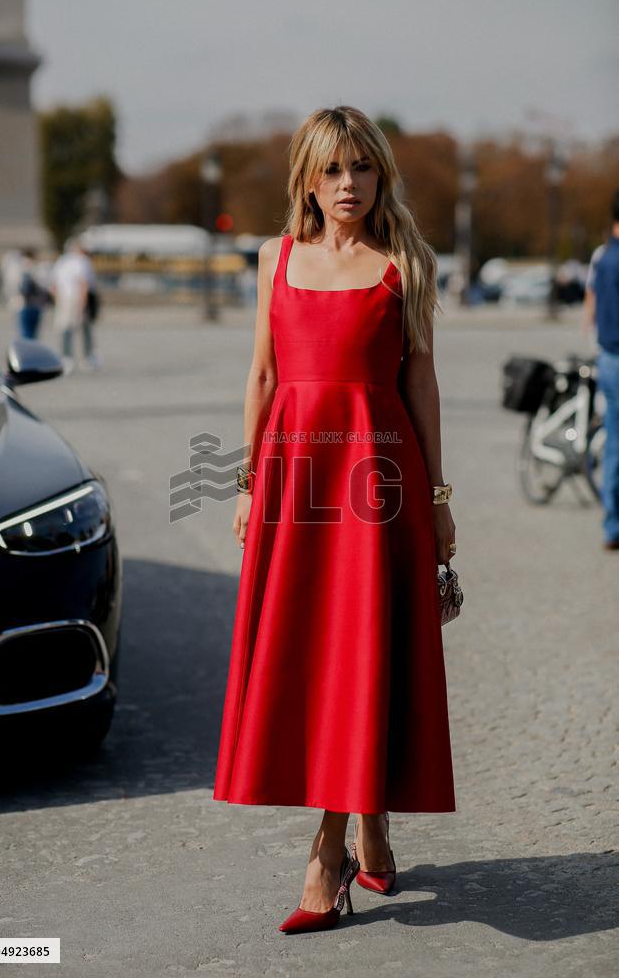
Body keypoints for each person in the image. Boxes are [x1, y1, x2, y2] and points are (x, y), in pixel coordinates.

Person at [212, 106, 457, 934]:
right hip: (295, 481)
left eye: (363, 169)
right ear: (306, 179)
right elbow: (261, 374)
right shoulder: (273, 257)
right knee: (314, 657)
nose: (348, 185)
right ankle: (372, 822)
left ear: (382, 175)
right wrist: (248, 484)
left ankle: (330, 850)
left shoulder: (407, 262)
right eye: (332, 170)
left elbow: (421, 383)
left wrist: (437, 500)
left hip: (380, 485)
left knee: (365, 655)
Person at [582, 188, 619, 550]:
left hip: (607, 355)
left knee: (615, 440)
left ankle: (612, 523)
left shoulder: (602, 255)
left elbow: (590, 301)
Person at [49, 238, 100, 374]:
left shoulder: (62, 261)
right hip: (76, 298)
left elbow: (53, 286)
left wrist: (58, 301)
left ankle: (66, 357)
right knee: (84, 328)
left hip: (62, 298)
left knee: (65, 328)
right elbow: (83, 283)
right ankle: (87, 357)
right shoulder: (82, 261)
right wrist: (83, 304)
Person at [16, 249, 50, 339]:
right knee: (33, 334)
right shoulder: (38, 268)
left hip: (25, 305)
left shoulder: (21, 268)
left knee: (26, 333)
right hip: (37, 304)